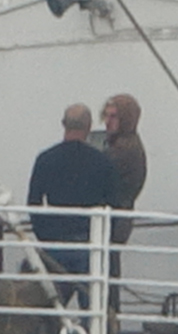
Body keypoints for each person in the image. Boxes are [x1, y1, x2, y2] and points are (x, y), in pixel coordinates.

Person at [27, 103, 121, 303]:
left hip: (55, 244)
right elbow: (114, 206)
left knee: (50, 310)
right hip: (89, 245)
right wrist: (102, 239)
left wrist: (45, 236)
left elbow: (33, 203)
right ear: (88, 127)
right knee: (92, 313)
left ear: (63, 124)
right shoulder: (102, 163)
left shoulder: (45, 160)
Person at [102, 93, 147, 311]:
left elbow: (102, 177)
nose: (107, 122)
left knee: (106, 277)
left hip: (113, 222)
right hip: (118, 221)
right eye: (107, 116)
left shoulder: (124, 150)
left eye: (114, 117)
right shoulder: (126, 146)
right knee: (108, 276)